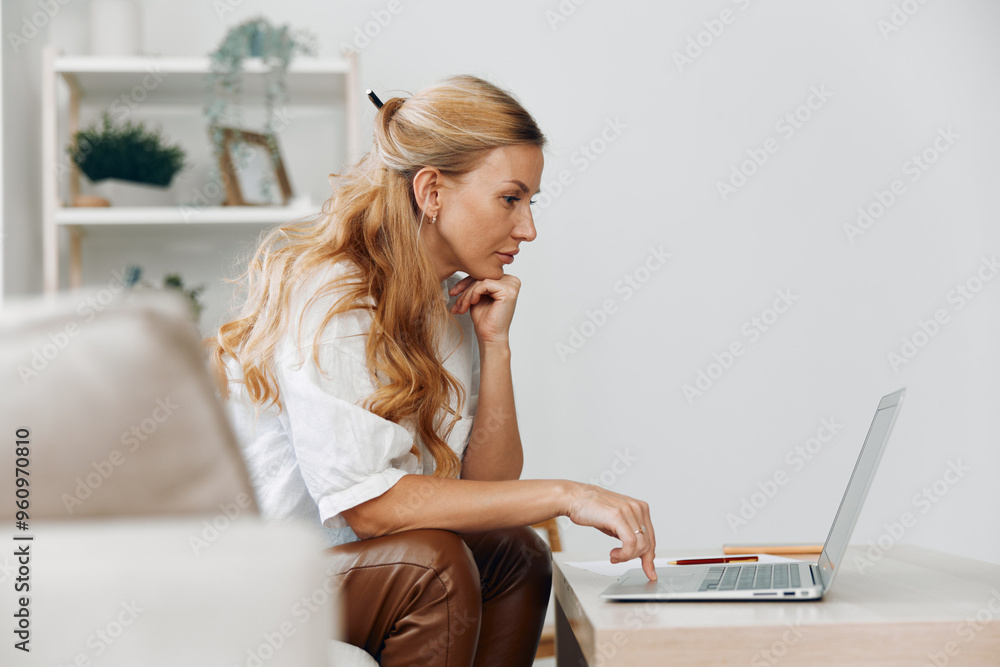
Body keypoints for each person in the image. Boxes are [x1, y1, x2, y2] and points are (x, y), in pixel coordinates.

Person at [212, 74, 657, 667]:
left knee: (515, 553)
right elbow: (370, 509)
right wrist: (569, 496)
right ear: (431, 191)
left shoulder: (446, 299)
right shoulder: (332, 299)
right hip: (266, 586)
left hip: (363, 572)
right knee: (432, 567)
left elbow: (484, 492)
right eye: (510, 198)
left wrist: (494, 347)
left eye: (530, 203)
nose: (527, 228)